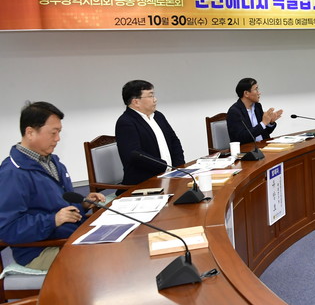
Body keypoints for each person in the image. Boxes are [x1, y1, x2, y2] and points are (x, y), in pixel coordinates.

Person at [0, 102, 105, 269]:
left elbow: (60, 206)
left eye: (59, 132)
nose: (58, 139)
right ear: (30, 132)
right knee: (104, 260)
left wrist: (83, 204)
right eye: (53, 133)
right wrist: (53, 220)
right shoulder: (12, 173)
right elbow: (9, 229)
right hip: (40, 250)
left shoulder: (52, 162)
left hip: (68, 236)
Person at [115, 80, 184, 186]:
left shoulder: (158, 116)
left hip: (171, 175)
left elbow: (174, 141)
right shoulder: (126, 122)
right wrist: (165, 167)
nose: (155, 99)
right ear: (136, 102)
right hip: (146, 182)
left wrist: (178, 167)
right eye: (150, 96)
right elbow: (136, 156)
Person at [227, 78, 283, 144]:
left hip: (262, 145)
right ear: (246, 93)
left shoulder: (257, 106)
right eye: (256, 89)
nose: (259, 93)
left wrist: (270, 123)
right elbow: (240, 138)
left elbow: (264, 132)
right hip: (247, 148)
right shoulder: (234, 112)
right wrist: (263, 123)